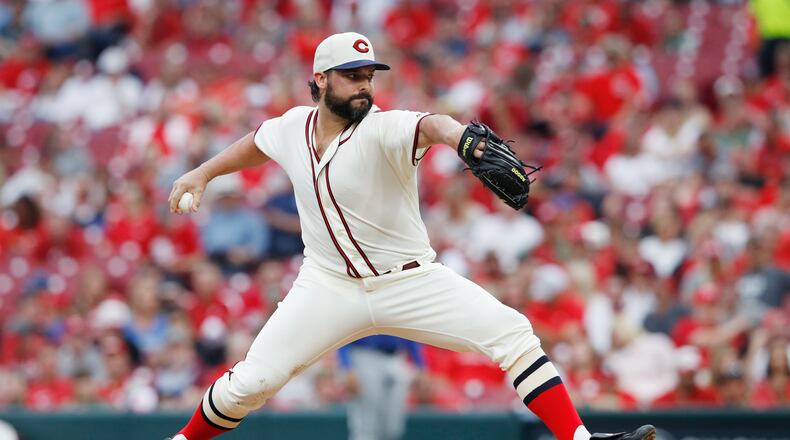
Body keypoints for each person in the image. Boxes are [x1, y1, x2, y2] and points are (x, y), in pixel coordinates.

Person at [165, 32, 655, 440]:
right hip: (327, 285)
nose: (364, 86)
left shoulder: (383, 129)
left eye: (369, 77)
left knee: (513, 334)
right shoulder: (294, 126)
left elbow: (431, 125)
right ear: (319, 79)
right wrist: (203, 174)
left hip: (410, 282)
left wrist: (460, 138)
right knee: (251, 383)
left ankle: (578, 439)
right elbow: (256, 143)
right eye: (352, 76)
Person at [338, 336, 424, 440]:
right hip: (364, 355)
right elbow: (344, 332)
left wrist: (419, 364)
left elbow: (409, 328)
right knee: (366, 426)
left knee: (393, 428)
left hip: (396, 357)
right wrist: (346, 367)